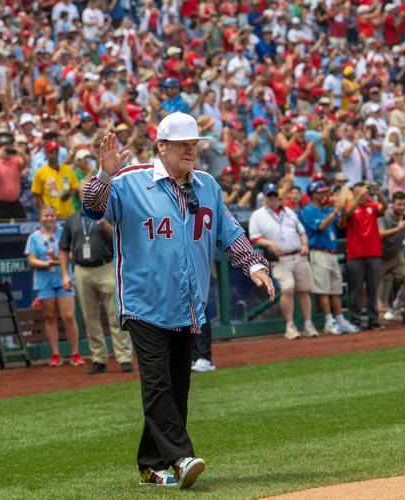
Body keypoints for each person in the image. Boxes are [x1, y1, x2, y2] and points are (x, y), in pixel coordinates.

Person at [82, 112, 275, 488]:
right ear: (162, 146)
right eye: (183, 144)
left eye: (195, 144)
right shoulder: (130, 181)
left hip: (187, 304)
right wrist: (104, 174)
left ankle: (150, 466)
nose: (191, 150)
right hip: (143, 302)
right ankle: (182, 457)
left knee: (176, 387)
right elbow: (91, 208)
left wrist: (254, 266)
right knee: (157, 384)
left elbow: (228, 231)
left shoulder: (207, 186)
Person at [58, 210, 134, 374]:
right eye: (83, 192)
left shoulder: (109, 214)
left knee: (115, 315)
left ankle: (124, 357)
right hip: (82, 269)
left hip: (106, 266)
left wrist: (105, 225)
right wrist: (64, 274)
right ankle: (98, 358)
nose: (86, 195)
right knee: (89, 317)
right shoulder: (72, 219)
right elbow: (63, 248)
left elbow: (120, 240)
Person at [249, 182, 319, 340]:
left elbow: (301, 231)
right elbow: (254, 237)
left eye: (275, 195)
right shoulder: (258, 215)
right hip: (280, 259)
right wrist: (270, 244)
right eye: (270, 195)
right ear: (265, 197)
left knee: (304, 290)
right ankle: (290, 326)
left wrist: (305, 244)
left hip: (298, 255)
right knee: (287, 289)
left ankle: (308, 324)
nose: (273, 198)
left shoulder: (288, 212)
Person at [24, 205, 83, 367]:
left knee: (69, 317)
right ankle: (56, 354)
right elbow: (31, 260)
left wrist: (58, 260)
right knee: (49, 317)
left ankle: (75, 353)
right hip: (44, 281)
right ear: (40, 217)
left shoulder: (63, 232)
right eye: (46, 216)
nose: (49, 218)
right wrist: (47, 263)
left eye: (52, 215)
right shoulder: (34, 237)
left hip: (64, 278)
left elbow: (72, 253)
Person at [300, 181, 360, 335]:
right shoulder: (308, 210)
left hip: (331, 253)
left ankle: (339, 319)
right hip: (318, 252)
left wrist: (341, 213)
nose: (325, 194)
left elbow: (340, 225)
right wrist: (335, 211)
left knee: (336, 289)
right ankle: (329, 321)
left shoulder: (327, 209)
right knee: (324, 290)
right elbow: (320, 226)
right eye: (322, 192)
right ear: (314, 194)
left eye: (326, 191)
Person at [339, 182, 388, 331]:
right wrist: (357, 198)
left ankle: (374, 319)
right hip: (355, 254)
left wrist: (379, 194)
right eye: (359, 192)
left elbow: (384, 208)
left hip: (373, 252)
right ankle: (355, 319)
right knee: (356, 289)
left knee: (373, 288)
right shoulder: (350, 207)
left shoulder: (372, 205)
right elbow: (346, 216)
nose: (363, 195)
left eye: (364, 192)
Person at [378, 191, 405, 327]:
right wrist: (399, 227)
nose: (401, 207)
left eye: (404, 204)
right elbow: (381, 234)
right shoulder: (384, 214)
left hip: (396, 255)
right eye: (399, 204)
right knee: (372, 288)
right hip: (380, 256)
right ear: (392, 203)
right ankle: (371, 317)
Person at [31, 141, 80, 219]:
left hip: (68, 213)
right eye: (51, 152)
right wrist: (43, 210)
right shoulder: (40, 172)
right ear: (47, 153)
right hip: (51, 216)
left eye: (56, 152)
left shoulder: (68, 169)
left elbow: (75, 187)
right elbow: (37, 193)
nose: (54, 155)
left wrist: (69, 194)